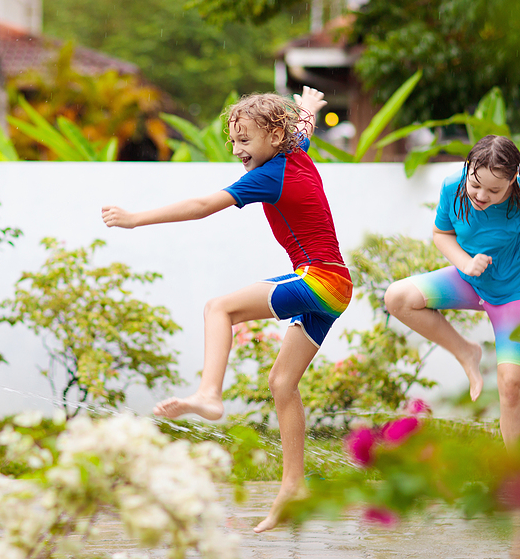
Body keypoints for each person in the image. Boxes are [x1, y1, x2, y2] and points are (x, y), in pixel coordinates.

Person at [102, 87, 352, 532]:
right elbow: (302, 130)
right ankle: (292, 484)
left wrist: (135, 218)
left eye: (245, 141)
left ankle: (209, 394)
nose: (237, 151)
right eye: (233, 141)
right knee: (281, 382)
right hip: (334, 285)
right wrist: (310, 109)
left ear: (275, 137)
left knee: (219, 308)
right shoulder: (295, 152)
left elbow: (201, 206)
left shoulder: (269, 173)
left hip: (320, 279)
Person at [384, 135, 520, 450]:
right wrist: (466, 263)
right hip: (468, 281)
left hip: (511, 295)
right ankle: (466, 352)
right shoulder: (453, 187)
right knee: (398, 298)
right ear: (469, 168)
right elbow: (441, 233)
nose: (480, 195)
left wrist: (494, 266)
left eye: (494, 190)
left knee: (513, 386)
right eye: (476, 184)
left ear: (512, 181)